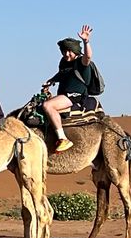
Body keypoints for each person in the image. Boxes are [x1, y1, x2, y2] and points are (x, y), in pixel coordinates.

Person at [37, 25, 100, 154]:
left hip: (75, 95)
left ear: (75, 51)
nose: (66, 54)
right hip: (64, 94)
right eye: (64, 51)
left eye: (70, 51)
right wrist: (51, 81)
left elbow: (88, 57)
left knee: (48, 106)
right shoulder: (64, 62)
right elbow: (63, 74)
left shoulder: (81, 62)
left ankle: (63, 139)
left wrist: (86, 42)